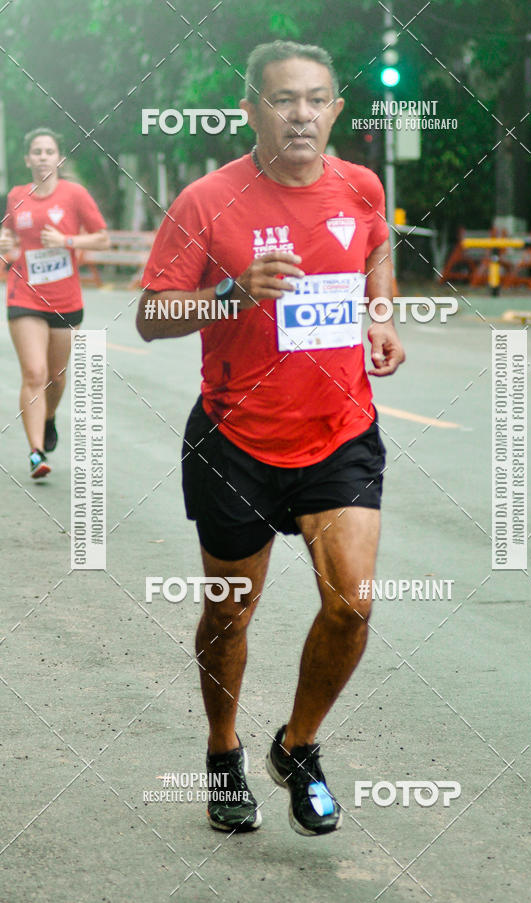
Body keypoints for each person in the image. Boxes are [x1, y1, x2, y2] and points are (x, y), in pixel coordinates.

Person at [136, 40, 405, 836]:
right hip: (235, 443)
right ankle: (223, 752)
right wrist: (228, 294)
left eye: (317, 99)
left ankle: (298, 745)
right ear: (250, 110)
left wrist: (381, 314)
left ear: (335, 110)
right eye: (284, 100)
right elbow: (153, 316)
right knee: (229, 613)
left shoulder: (359, 186)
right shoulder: (206, 201)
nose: (301, 115)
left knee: (352, 605)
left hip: (340, 431)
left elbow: (377, 244)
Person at [0, 128, 109, 478]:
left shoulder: (74, 194)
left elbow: (103, 238)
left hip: (65, 299)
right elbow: (9, 239)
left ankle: (48, 418)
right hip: (24, 293)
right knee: (35, 373)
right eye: (37, 151)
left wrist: (68, 239)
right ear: (28, 159)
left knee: (56, 377)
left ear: (58, 158)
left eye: (49, 150)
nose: (43, 156)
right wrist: (7, 247)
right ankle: (36, 453)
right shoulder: (17, 196)